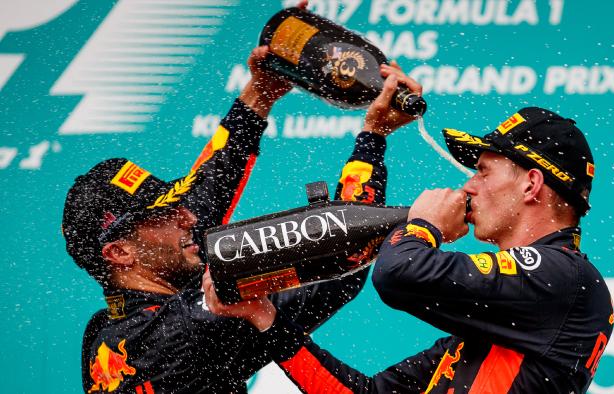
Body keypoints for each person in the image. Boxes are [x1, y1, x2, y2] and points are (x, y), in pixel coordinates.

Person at [206, 68, 614, 393]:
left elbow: (398, 273)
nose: (469, 186)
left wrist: (425, 226)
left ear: (532, 184)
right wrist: (266, 319)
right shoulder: (506, 320)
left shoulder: (565, 277)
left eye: (484, 172)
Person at [62, 35, 414, 391]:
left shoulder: (108, 329)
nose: (188, 218)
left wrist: (261, 92)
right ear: (120, 252)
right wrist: (374, 135)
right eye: (165, 215)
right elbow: (342, 259)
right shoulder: (193, 325)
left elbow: (205, 193)